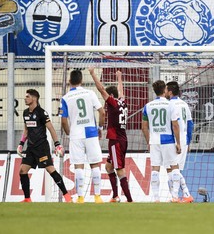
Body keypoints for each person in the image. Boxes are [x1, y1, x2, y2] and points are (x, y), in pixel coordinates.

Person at [17, 89, 72, 203]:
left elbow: (51, 128)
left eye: (27, 96)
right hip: (31, 148)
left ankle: (67, 196)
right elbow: (26, 129)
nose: (25, 98)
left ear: (34, 98)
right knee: (22, 170)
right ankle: (27, 198)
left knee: (50, 170)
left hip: (42, 148)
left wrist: (57, 144)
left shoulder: (42, 113)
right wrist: (21, 144)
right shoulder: (25, 113)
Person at [60, 70, 106, 203]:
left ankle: (80, 197)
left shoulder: (65, 98)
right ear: (82, 81)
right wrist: (100, 128)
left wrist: (69, 133)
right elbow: (102, 112)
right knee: (95, 165)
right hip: (91, 132)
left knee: (78, 166)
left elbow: (63, 121)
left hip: (76, 134)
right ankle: (97, 197)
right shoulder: (90, 93)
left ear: (69, 82)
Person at [88, 68, 133, 203]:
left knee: (119, 169)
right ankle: (115, 196)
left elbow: (101, 89)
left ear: (110, 96)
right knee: (108, 167)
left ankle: (130, 200)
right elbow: (121, 91)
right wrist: (119, 77)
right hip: (122, 139)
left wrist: (92, 74)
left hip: (116, 141)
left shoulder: (113, 103)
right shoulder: (122, 102)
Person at [142, 80, 181, 203]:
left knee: (155, 168)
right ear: (164, 90)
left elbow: (144, 127)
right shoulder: (171, 105)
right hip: (168, 139)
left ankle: (156, 198)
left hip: (154, 140)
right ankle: (174, 196)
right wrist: (178, 142)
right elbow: (175, 125)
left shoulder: (147, 106)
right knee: (174, 167)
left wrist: (149, 141)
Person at [164, 81, 194, 203]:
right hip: (184, 138)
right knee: (174, 169)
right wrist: (188, 141)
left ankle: (176, 196)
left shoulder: (169, 104)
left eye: (166, 90)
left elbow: (172, 124)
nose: (165, 92)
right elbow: (190, 124)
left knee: (172, 169)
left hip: (173, 139)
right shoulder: (184, 104)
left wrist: (177, 142)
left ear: (170, 92)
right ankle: (185, 195)